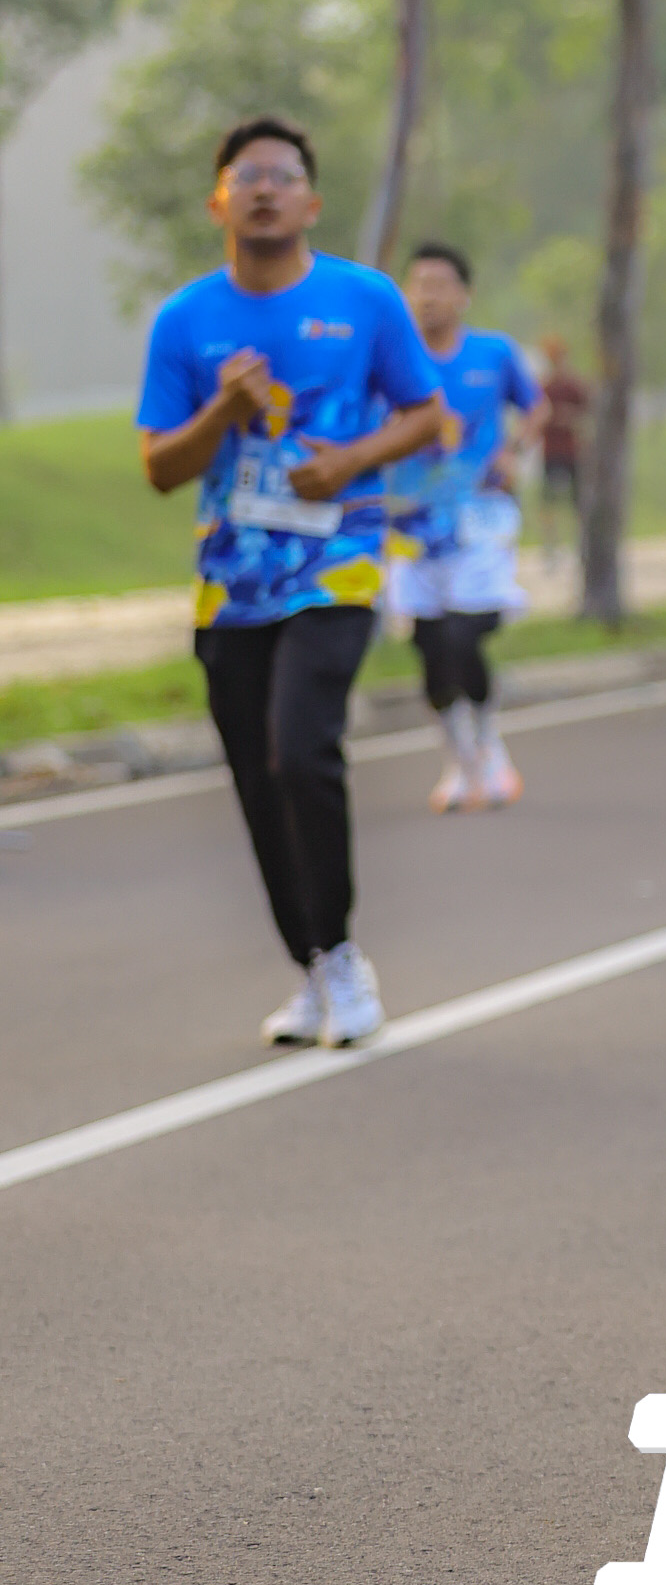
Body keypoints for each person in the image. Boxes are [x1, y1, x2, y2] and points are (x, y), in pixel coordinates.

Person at [135, 117, 444, 1049]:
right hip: (231, 587)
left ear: (311, 202)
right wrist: (222, 410)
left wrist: (348, 460)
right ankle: (310, 967)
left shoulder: (365, 299)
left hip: (337, 566)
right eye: (247, 177)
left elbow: (425, 416)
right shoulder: (185, 320)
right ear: (218, 202)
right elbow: (159, 467)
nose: (265, 189)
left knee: (301, 747)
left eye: (282, 175)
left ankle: (343, 957)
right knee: (256, 775)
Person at [386, 243, 546, 812]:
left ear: (463, 295)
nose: (427, 296)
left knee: (463, 632)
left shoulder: (493, 353)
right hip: (412, 524)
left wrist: (514, 452)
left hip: (480, 517)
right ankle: (457, 759)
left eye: (439, 284)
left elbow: (536, 408)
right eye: (418, 284)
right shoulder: (392, 358)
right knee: (431, 648)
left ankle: (488, 744)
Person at [536, 337, 591, 563]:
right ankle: (551, 548)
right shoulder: (543, 387)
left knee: (578, 501)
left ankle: (581, 545)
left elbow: (588, 415)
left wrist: (568, 418)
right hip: (551, 451)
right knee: (549, 502)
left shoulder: (574, 386)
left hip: (572, 451)